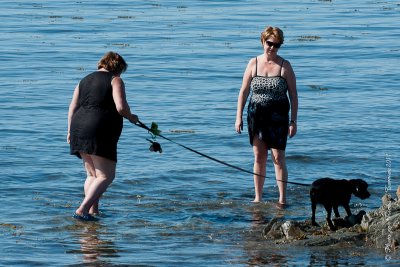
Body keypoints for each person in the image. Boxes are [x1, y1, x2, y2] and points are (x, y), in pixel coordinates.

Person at [67, 51, 139, 221]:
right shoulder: (115, 80)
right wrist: (132, 117)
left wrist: (70, 130)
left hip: (78, 127)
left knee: (92, 175)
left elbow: (72, 108)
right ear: (118, 67)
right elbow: (121, 107)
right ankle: (83, 209)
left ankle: (94, 211)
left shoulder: (83, 80)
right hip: (99, 128)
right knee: (106, 176)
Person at [235, 26, 298, 206]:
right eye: (269, 43)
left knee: (278, 158)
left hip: (278, 118)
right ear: (263, 41)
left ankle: (282, 199)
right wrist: (238, 116)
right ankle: (258, 197)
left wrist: (293, 121)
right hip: (256, 117)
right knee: (259, 156)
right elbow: (244, 91)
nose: (272, 48)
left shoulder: (285, 66)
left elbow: (293, 95)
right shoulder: (253, 63)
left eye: (276, 45)